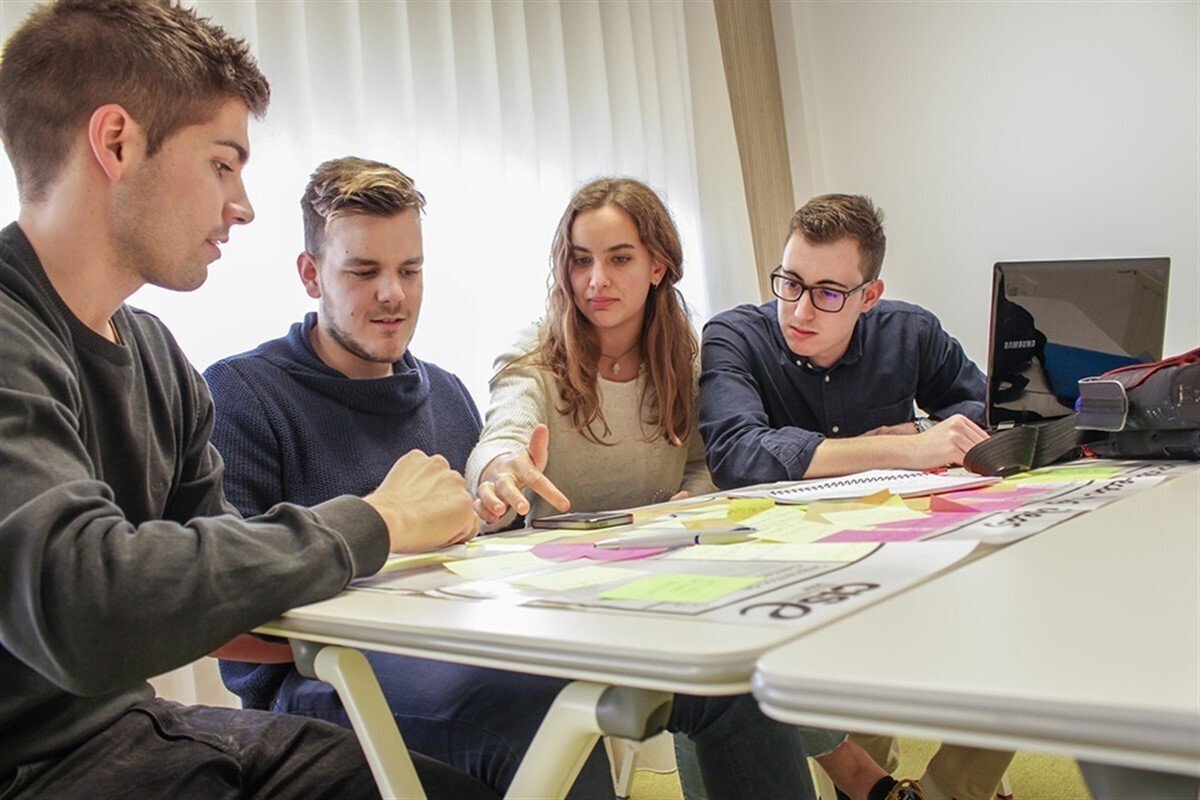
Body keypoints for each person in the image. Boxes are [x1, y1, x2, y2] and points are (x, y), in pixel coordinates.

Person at [0, 3, 492, 798]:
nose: (242, 205)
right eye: (222, 164)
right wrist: (376, 520)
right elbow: (83, 607)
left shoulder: (155, 356)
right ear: (116, 142)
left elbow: (229, 582)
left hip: (130, 730)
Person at [467, 177, 923, 800]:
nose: (595, 280)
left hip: (661, 572)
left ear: (658, 266)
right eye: (580, 260)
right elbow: (504, 430)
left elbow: (705, 463)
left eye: (618, 259)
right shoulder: (537, 353)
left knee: (745, 617)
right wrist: (500, 468)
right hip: (565, 591)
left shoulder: (685, 353)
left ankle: (854, 775)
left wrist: (689, 501)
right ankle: (859, 775)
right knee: (719, 645)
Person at [204, 156, 614, 798]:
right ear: (311, 275)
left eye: (410, 270)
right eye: (363, 272)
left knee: (607, 683)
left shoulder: (445, 392)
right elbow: (220, 614)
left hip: (459, 644)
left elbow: (477, 554)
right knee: (536, 715)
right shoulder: (242, 396)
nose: (392, 294)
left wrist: (499, 513)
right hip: (317, 677)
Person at [699, 193, 1012, 800]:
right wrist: (897, 449)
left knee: (1010, 624)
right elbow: (736, 454)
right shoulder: (735, 335)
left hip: (910, 543)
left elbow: (988, 411)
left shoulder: (910, 331)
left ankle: (947, 791)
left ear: (869, 297)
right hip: (795, 567)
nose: (800, 309)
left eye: (828, 293)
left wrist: (920, 431)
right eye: (791, 282)